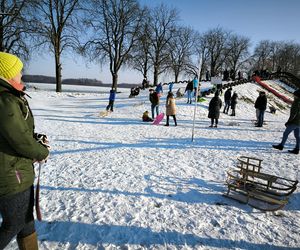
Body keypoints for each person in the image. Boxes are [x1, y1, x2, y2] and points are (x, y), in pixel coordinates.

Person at [0, 52, 50, 249]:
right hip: (10, 175)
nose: (21, 74)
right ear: (8, 74)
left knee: (25, 221)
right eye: (18, 71)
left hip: (16, 171)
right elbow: (20, 141)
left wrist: (36, 138)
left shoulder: (10, 97)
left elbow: (17, 132)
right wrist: (42, 152)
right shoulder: (5, 101)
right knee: (13, 224)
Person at [272, 89, 300, 154]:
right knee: (297, 136)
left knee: (286, 133)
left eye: (294, 95)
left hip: (294, 122)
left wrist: (289, 121)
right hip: (299, 122)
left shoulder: (296, 102)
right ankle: (297, 149)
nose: (293, 95)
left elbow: (294, 113)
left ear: (297, 96)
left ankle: (281, 145)